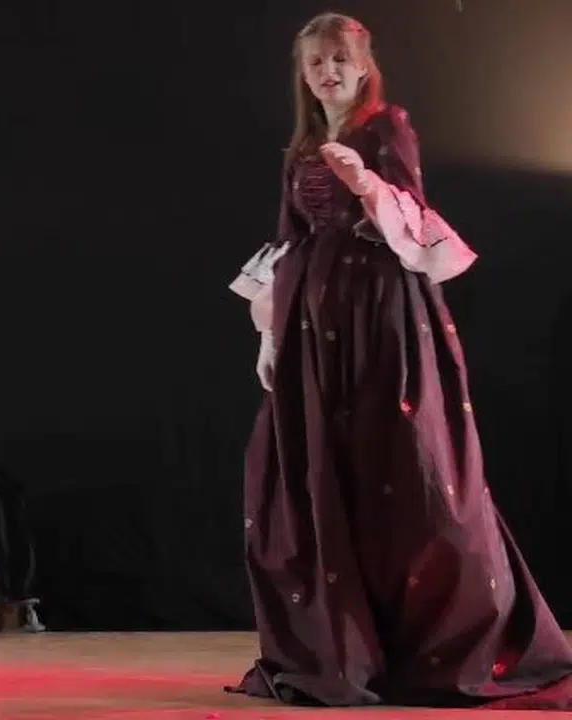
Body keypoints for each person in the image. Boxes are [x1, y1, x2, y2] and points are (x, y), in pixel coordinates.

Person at [226, 12, 572, 709]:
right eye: (316, 62)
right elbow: (289, 240)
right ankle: (347, 647)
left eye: (339, 60)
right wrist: (271, 337)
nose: (328, 71)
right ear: (303, 75)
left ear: (362, 66)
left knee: (402, 467)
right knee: (324, 471)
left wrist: (365, 185)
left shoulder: (386, 129)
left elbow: (412, 218)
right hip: (313, 322)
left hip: (378, 316)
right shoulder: (301, 149)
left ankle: (434, 642)